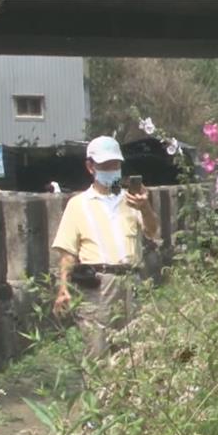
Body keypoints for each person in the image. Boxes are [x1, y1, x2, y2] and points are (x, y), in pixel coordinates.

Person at [51, 136, 159, 358]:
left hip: (131, 280)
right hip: (98, 284)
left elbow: (152, 230)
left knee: (134, 353)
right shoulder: (78, 204)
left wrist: (145, 206)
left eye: (115, 165)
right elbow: (67, 253)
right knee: (98, 350)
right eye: (105, 166)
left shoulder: (131, 198)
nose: (112, 170)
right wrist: (63, 288)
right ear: (90, 167)